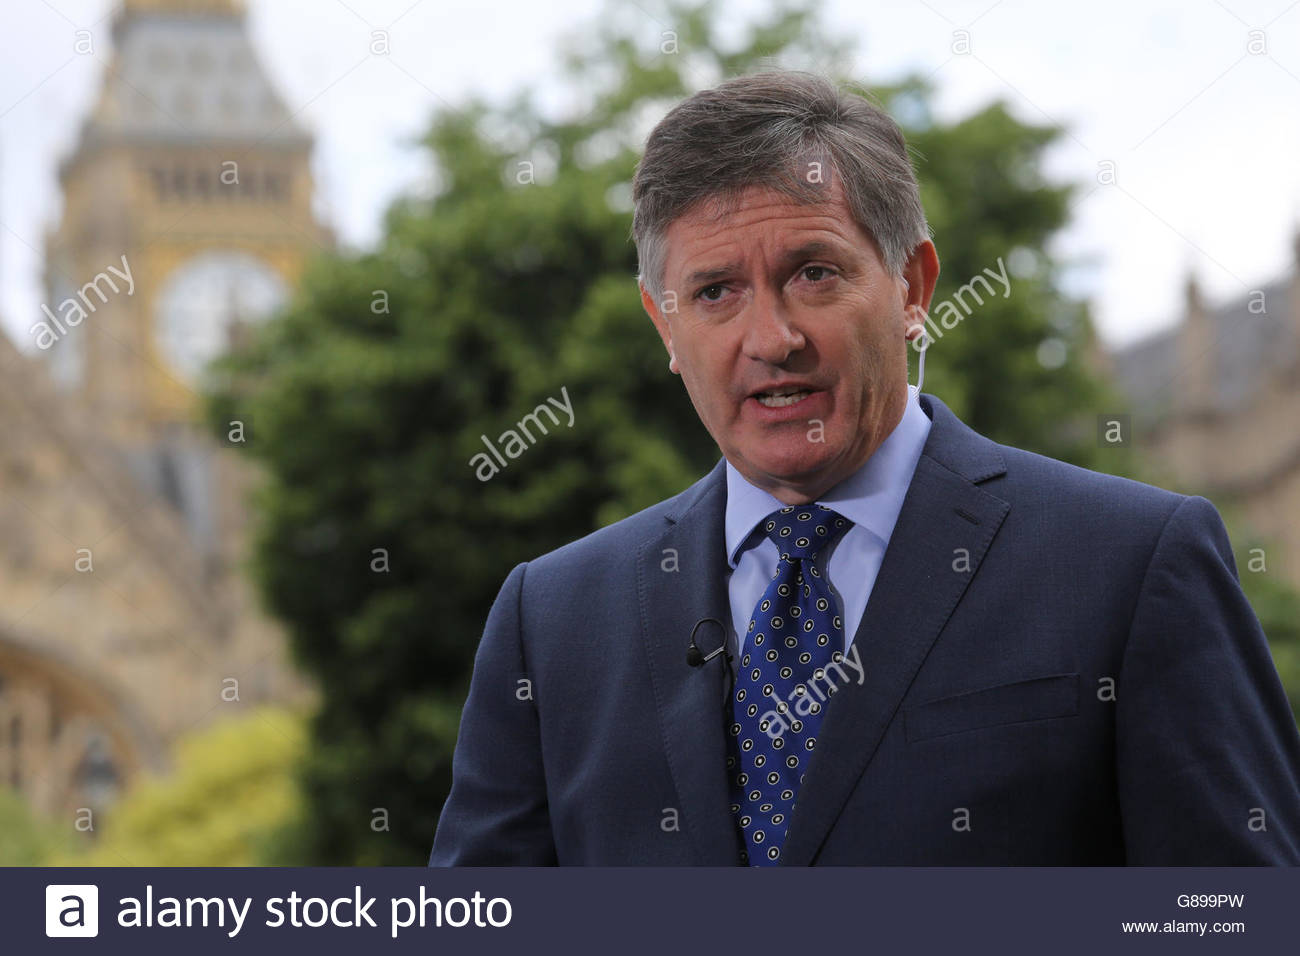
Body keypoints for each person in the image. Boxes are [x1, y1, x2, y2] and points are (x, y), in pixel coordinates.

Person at [429, 70, 1300, 865]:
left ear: (914, 288)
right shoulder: (550, 621)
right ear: (665, 326)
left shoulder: (1131, 563)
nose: (771, 340)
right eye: (715, 292)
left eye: (814, 273)